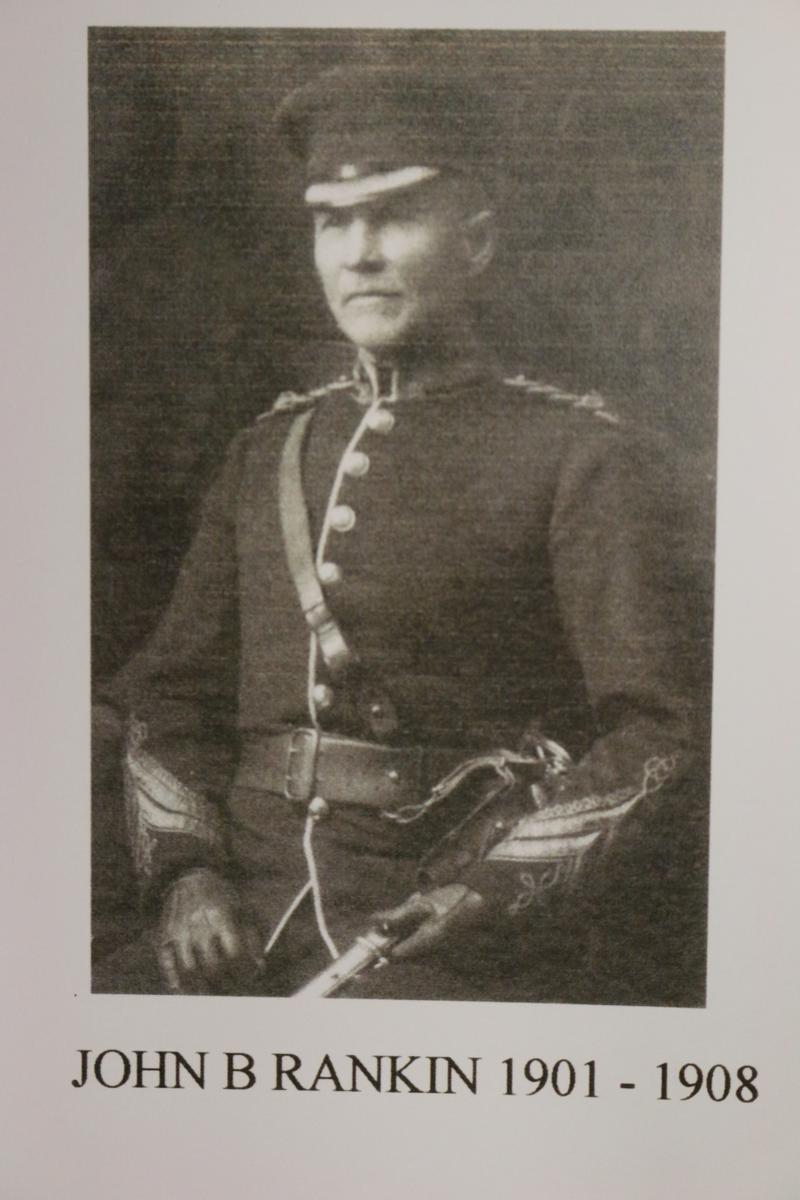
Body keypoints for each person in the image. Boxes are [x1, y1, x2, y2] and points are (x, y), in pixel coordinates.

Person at [94, 65, 705, 1004]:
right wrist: (188, 872)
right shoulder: (268, 450)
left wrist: (486, 892)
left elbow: (658, 730)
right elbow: (168, 696)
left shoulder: (580, 458)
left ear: (476, 242)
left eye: (394, 218)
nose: (360, 254)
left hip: (437, 932)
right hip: (240, 911)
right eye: (333, 223)